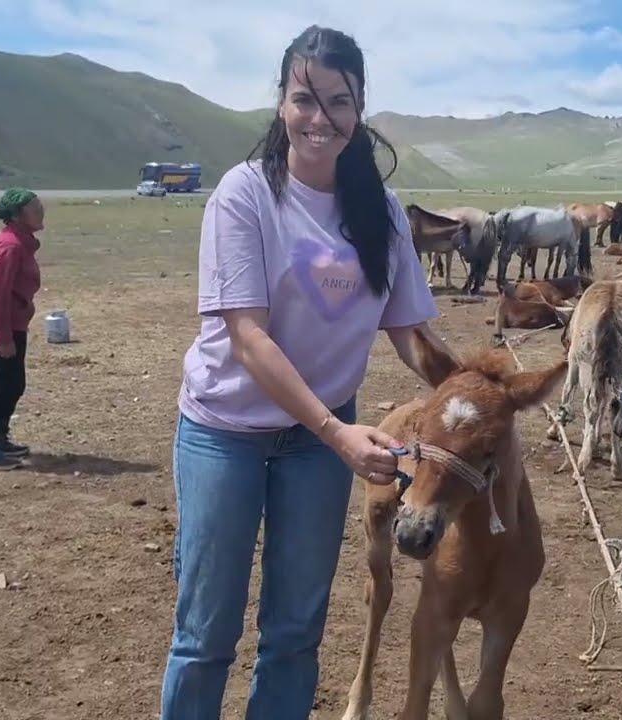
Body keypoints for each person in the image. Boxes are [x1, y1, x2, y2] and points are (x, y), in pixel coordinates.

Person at [160, 24, 459, 719]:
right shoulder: (244, 195)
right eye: (304, 98)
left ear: (359, 111)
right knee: (206, 633)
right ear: (281, 104)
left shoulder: (379, 212)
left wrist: (474, 396)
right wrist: (337, 433)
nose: (319, 118)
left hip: (317, 447)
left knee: (295, 633)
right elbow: (248, 339)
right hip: (226, 430)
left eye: (338, 101)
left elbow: (410, 334)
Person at [0, 187, 44, 470]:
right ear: (17, 215)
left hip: (10, 325)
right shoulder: (10, 246)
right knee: (7, 385)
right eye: (34, 207)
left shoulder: (18, 242)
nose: (41, 210)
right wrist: (2, 338)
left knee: (11, 383)